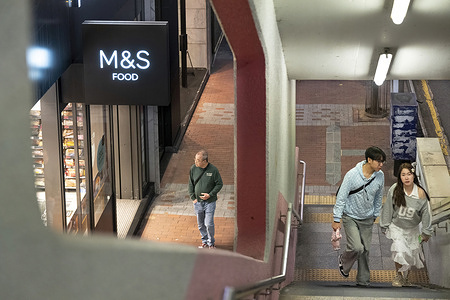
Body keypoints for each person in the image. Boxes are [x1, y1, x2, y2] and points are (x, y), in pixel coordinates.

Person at [332, 146, 386, 286]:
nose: (381, 165)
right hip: (350, 217)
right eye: (378, 162)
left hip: (367, 218)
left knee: (366, 250)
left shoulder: (380, 176)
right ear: (369, 160)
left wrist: (375, 214)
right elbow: (341, 197)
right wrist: (336, 218)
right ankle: (344, 262)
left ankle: (363, 280)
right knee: (357, 247)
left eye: (382, 162)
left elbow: (379, 196)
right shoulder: (352, 175)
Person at [380, 162, 432, 287]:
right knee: (399, 249)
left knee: (410, 253)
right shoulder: (395, 189)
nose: (406, 177)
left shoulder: (420, 193)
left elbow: (426, 214)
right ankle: (398, 276)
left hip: (412, 228)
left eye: (409, 174)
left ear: (414, 176)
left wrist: (426, 231)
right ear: (400, 177)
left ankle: (406, 277)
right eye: (403, 175)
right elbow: (388, 208)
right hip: (397, 227)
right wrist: (385, 224)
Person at [188, 150, 223, 249]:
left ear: (204, 161)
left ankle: (211, 242)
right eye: (195, 159)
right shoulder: (193, 168)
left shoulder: (213, 170)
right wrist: (193, 198)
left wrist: (210, 194)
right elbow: (190, 184)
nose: (195, 161)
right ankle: (204, 241)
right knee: (201, 224)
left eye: (198, 160)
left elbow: (219, 184)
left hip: (210, 202)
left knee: (209, 223)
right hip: (198, 202)